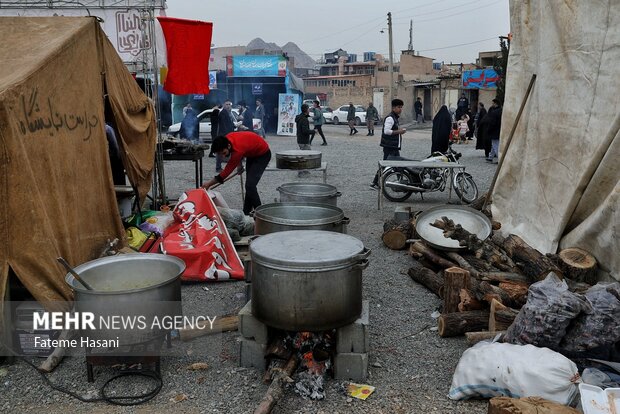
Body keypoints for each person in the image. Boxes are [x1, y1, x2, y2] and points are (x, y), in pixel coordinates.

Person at [201, 132, 271, 215]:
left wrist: (209, 184)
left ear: (228, 146)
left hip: (263, 154)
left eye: (224, 153)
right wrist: (239, 164)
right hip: (252, 154)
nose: (223, 156)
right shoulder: (226, 140)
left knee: (250, 186)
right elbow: (239, 151)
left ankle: (261, 214)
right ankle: (246, 213)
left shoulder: (237, 149)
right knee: (249, 185)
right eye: (220, 154)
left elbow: (225, 173)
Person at [369, 98, 407, 189]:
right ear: (393, 108)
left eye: (401, 107)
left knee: (397, 164)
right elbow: (386, 131)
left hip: (393, 146)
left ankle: (399, 183)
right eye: (399, 107)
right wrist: (399, 131)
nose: (400, 109)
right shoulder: (390, 118)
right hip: (389, 146)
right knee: (385, 165)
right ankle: (375, 183)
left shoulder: (395, 118)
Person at [215, 101, 237, 172]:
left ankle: (230, 165)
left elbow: (229, 124)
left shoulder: (228, 113)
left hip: (228, 134)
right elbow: (224, 126)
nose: (228, 106)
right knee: (220, 151)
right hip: (223, 135)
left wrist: (235, 125)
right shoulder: (223, 113)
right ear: (224, 105)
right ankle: (218, 167)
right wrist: (227, 136)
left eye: (229, 105)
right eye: (226, 105)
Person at [485, 98, 503, 163]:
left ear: (495, 103)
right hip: (499, 130)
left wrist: (488, 130)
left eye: (493, 103)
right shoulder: (501, 110)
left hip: (494, 131)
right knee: (494, 145)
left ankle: (500, 158)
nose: (492, 104)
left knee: (495, 145)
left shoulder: (494, 112)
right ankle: (490, 157)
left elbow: (492, 123)